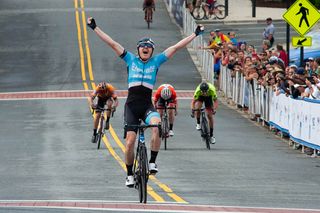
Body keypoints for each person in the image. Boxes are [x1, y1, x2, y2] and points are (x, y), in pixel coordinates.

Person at [87, 17, 204, 187]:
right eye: (143, 46)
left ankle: (152, 162)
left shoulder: (156, 61)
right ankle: (129, 174)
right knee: (130, 142)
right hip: (132, 107)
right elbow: (112, 43)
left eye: (149, 47)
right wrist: (95, 27)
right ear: (138, 49)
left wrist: (195, 33)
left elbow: (177, 47)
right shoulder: (130, 59)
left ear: (152, 51)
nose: (146, 48)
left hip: (147, 105)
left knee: (156, 127)